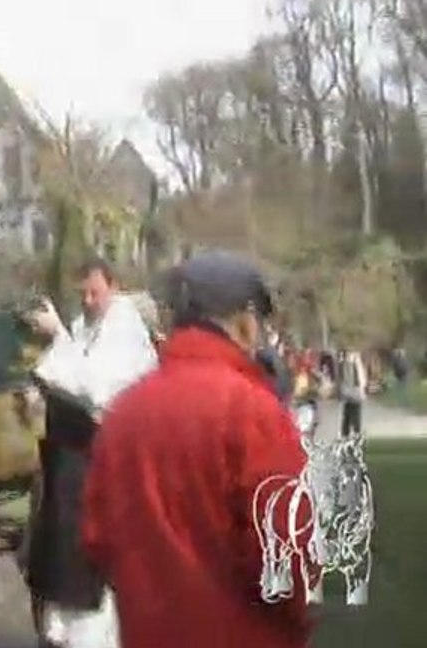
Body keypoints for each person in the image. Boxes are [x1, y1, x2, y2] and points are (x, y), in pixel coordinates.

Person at [82, 250, 313, 648]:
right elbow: (287, 555)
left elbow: (97, 538)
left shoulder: (122, 414)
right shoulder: (254, 411)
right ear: (245, 322)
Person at [24, 258, 158, 648]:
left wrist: (57, 338)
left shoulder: (126, 330)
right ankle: (62, 630)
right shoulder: (84, 326)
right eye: (81, 294)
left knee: (88, 562)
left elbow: (96, 388)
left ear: (113, 286)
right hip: (69, 459)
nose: (87, 301)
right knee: (62, 553)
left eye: (94, 293)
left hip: (103, 457)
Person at [338, 348, 367, 437]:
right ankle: (355, 433)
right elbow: (360, 378)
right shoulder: (354, 363)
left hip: (347, 392)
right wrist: (363, 389)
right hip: (355, 392)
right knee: (355, 414)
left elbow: (341, 379)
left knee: (347, 414)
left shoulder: (343, 363)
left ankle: (345, 433)